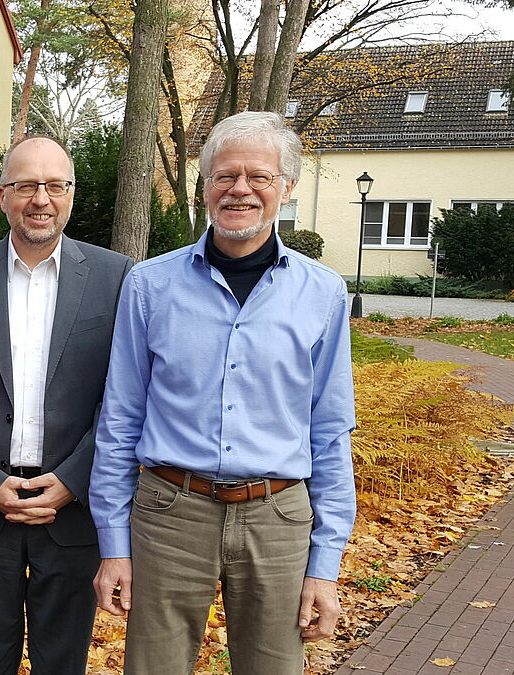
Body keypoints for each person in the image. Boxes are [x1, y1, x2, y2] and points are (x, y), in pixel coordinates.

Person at [90, 110, 357, 674]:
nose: (240, 189)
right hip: (169, 513)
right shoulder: (149, 286)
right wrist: (114, 545)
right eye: (224, 175)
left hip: (279, 517)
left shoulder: (323, 293)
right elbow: (120, 420)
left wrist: (325, 564)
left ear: (286, 187)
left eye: (259, 176)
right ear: (205, 185)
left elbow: (330, 430)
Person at [0, 136, 133, 674]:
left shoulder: (116, 279)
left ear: (71, 195)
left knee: (62, 663)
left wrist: (74, 478)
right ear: (3, 196)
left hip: (72, 511)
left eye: (55, 185)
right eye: (26, 185)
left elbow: (125, 397)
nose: (40, 199)